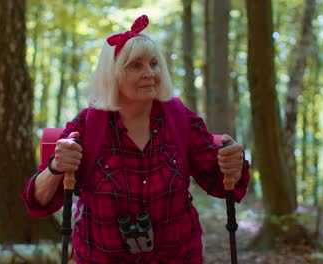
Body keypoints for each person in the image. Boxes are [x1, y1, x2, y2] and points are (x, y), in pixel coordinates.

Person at [22, 14, 250, 264]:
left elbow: (221, 183)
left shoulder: (179, 118)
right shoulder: (88, 126)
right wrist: (56, 166)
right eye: (136, 65)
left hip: (178, 256)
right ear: (113, 75)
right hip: (102, 258)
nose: (149, 73)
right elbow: (38, 201)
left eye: (154, 64)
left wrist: (233, 165)